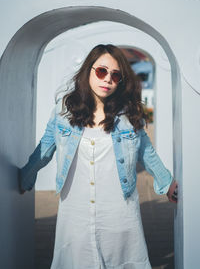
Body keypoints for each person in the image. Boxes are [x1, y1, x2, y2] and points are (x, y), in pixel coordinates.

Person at [19, 44, 178, 269]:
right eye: (102, 71)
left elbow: (146, 152)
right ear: (89, 71)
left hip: (119, 211)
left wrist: (167, 182)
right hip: (75, 211)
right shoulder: (64, 110)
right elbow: (45, 148)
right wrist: (25, 176)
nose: (108, 80)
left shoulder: (128, 114)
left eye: (115, 75)